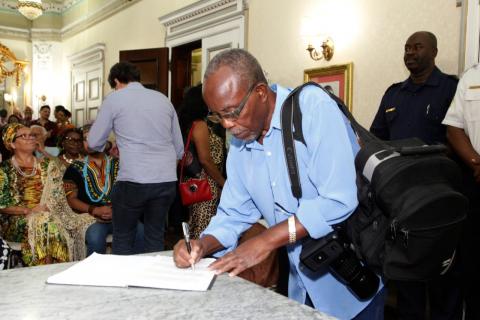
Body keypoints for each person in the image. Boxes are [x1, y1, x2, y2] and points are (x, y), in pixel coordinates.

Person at [173, 49, 384, 320]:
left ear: (260, 92)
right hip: (302, 286)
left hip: (352, 286)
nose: (227, 125)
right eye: (217, 116)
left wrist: (266, 241)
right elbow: (233, 214)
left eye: (233, 112)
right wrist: (203, 244)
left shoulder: (312, 108)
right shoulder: (241, 143)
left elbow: (339, 198)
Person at [370, 31, 462, 320]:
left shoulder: (451, 88)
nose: (410, 52)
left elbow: (461, 137)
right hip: (401, 202)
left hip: (439, 200)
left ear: (434, 51)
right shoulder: (394, 93)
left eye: (417, 47)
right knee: (407, 278)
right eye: (407, 48)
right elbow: (377, 137)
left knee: (442, 280)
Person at [88, 62, 183, 254]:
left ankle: (122, 281)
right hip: (165, 180)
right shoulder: (163, 99)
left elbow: (93, 143)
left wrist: (107, 146)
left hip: (133, 179)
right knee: (155, 236)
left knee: (123, 237)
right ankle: (150, 282)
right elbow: (179, 149)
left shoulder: (114, 99)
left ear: (116, 81)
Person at [64, 124, 144, 256]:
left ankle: (135, 272)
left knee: (140, 231)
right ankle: (96, 275)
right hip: (89, 217)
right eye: (85, 139)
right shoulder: (74, 168)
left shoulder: (120, 164)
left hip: (120, 215)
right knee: (95, 236)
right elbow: (72, 200)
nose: (90, 142)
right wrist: (94, 210)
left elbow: (130, 192)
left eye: (95, 137)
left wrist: (117, 210)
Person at [0, 123, 69, 266]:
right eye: (24, 136)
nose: (31, 138)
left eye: (32, 135)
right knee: (44, 222)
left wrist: (48, 207)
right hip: (15, 219)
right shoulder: (4, 169)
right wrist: (29, 211)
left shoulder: (46, 165)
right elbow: (2, 204)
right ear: (12, 144)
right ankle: (49, 269)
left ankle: (49, 270)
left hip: (47, 213)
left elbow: (58, 193)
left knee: (48, 221)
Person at [442, 64, 480, 320]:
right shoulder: (471, 77)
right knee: (472, 269)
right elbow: (454, 127)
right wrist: (476, 162)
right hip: (476, 184)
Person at [178, 84, 226, 239]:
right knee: (204, 229)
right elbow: (205, 160)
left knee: (196, 225)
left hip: (195, 183)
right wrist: (223, 183)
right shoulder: (200, 125)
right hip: (206, 183)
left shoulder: (189, 124)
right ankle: (201, 259)